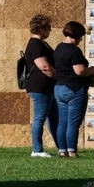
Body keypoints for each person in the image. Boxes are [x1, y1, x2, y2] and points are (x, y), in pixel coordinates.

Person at [54, 21, 94, 158]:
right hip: (74, 88)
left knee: (62, 122)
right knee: (73, 122)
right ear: (77, 35)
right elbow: (80, 71)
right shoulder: (74, 50)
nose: (82, 39)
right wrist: (93, 69)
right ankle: (72, 150)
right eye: (81, 36)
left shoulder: (59, 48)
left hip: (59, 87)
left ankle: (62, 150)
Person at [25, 14, 59, 158]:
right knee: (40, 117)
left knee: (53, 118)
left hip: (47, 87)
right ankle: (37, 149)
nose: (50, 30)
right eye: (48, 27)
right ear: (40, 28)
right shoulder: (35, 44)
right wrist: (60, 77)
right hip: (40, 87)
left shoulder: (42, 43)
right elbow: (44, 66)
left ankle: (62, 147)